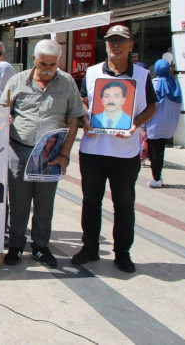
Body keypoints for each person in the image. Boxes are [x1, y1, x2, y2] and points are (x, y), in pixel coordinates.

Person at [72, 25, 157, 273]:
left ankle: (122, 253)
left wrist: (135, 125)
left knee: (124, 204)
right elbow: (84, 101)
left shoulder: (142, 75)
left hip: (125, 152)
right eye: (111, 41)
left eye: (121, 41)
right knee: (91, 202)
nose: (115, 46)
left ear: (131, 45)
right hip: (93, 150)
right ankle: (90, 247)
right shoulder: (92, 72)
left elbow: (152, 107)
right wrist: (85, 120)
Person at [0, 39, 83, 267]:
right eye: (43, 64)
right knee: (19, 202)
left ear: (59, 62)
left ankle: (40, 246)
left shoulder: (67, 83)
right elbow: (1, 109)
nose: (47, 69)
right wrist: (5, 117)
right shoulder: (17, 81)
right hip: (19, 150)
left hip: (50, 154)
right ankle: (16, 245)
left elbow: (73, 119)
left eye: (53, 65)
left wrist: (65, 155)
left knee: (45, 202)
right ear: (34, 59)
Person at [145, 58, 182, 188]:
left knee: (154, 152)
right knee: (161, 150)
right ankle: (158, 175)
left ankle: (156, 178)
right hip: (170, 125)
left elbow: (148, 106)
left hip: (155, 125)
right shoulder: (175, 85)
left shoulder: (153, 84)